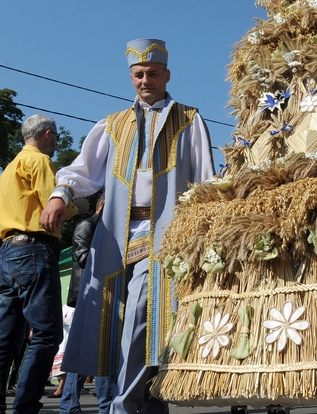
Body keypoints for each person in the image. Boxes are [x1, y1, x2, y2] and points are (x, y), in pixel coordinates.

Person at [45, 39, 214, 414]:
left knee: (146, 318)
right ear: (130, 77)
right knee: (121, 326)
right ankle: (149, 405)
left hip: (168, 234)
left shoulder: (189, 118)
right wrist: (60, 195)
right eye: (138, 74)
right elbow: (83, 172)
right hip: (117, 236)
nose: (145, 80)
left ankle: (124, 405)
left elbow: (205, 180)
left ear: (166, 75)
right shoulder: (113, 124)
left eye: (152, 74)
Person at [0, 114, 84, 414]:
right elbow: (54, 207)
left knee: (3, 338)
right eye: (57, 139)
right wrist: (79, 205)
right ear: (48, 135)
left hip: (6, 253)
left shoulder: (9, 168)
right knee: (48, 333)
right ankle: (25, 407)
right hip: (34, 250)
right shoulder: (40, 163)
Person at [59, 196, 115, 414]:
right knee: (84, 354)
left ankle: (100, 405)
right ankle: (71, 405)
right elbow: (83, 257)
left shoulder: (104, 231)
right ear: (102, 206)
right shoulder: (87, 226)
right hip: (87, 296)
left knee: (99, 352)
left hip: (100, 295)